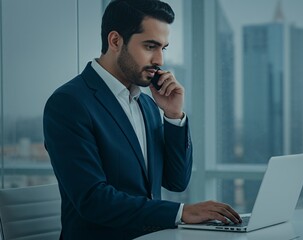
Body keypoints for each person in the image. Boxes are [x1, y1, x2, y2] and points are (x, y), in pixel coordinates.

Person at [43, 0, 241, 239]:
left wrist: (174, 115)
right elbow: (92, 199)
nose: (159, 60)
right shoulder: (70, 102)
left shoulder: (147, 104)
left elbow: (176, 181)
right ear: (115, 41)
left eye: (163, 48)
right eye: (150, 46)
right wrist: (181, 212)